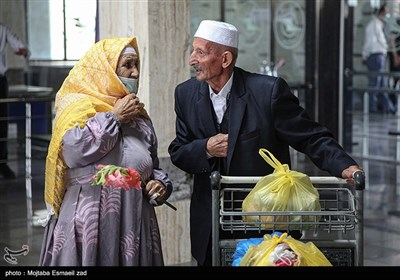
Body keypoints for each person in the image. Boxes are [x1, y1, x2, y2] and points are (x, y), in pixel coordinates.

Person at [168, 20, 364, 266]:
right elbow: (179, 151)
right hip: (209, 225)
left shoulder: (267, 91)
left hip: (265, 225)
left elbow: (309, 136)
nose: (191, 59)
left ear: (225, 59)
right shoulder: (185, 94)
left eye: (200, 52)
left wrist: (345, 165)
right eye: (193, 50)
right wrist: (206, 148)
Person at [39, 37, 173, 266]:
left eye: (137, 65)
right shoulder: (78, 107)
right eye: (128, 65)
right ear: (108, 69)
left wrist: (159, 184)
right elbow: (73, 153)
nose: (135, 73)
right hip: (89, 223)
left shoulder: (139, 117)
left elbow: (152, 167)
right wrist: (114, 118)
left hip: (133, 222)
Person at [0, 23, 29, 179]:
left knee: (2, 121)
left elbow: (20, 48)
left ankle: (2, 163)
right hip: (0, 80)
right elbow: (21, 49)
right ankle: (2, 163)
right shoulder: (3, 29)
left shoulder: (3, 29)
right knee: (2, 122)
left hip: (1, 81)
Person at [362, 4, 395, 114]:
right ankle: (373, 109)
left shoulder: (378, 25)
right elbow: (369, 43)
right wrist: (364, 55)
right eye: (385, 13)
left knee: (381, 84)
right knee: (375, 84)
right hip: (375, 56)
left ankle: (388, 108)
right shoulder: (374, 25)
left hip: (378, 56)